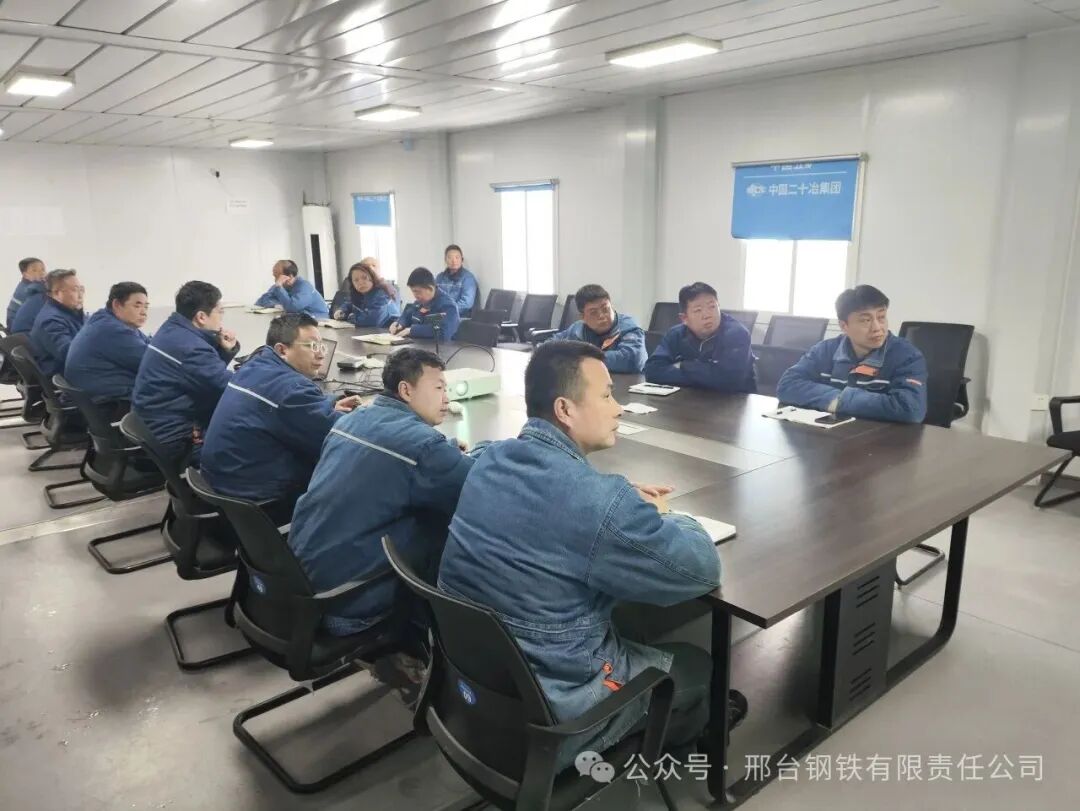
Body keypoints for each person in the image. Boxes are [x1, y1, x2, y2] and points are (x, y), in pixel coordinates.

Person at [439, 340, 746, 772]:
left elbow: (554, 502)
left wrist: (617, 501)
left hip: (480, 691)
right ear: (565, 409)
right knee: (696, 664)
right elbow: (701, 568)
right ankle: (687, 735)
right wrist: (665, 514)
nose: (617, 408)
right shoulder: (599, 504)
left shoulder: (490, 460)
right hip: (559, 711)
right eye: (606, 395)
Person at [287, 348, 486, 696]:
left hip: (296, 586)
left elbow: (406, 460)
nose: (446, 398)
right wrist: (487, 452)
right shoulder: (423, 447)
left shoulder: (351, 420)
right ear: (406, 390)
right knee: (453, 534)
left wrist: (447, 452)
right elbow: (477, 486)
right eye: (439, 388)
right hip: (344, 606)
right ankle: (437, 661)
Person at [200, 313, 361, 508]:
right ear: (282, 350)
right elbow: (341, 436)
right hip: (257, 498)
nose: (321, 354)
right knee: (353, 470)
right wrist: (369, 414)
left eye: (321, 346)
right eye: (312, 346)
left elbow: (289, 407)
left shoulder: (253, 366)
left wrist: (329, 404)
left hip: (221, 481)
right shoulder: (292, 390)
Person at [776, 285, 928, 423]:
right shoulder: (824, 350)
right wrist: (836, 399)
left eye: (881, 317)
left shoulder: (907, 356)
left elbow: (911, 409)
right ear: (844, 326)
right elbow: (787, 385)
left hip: (883, 439)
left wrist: (839, 402)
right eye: (866, 320)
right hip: (833, 436)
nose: (877, 328)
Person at [132, 281, 240, 467]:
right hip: (174, 442)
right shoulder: (191, 348)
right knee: (252, 442)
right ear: (201, 317)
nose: (221, 318)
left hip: (153, 430)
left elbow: (201, 375)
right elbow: (229, 388)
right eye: (220, 311)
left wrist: (224, 351)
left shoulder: (171, 329)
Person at [644, 282, 756, 392]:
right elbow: (652, 371)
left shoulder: (736, 333)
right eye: (698, 310)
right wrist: (706, 376)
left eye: (712, 306)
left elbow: (729, 380)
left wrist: (683, 365)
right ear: (684, 318)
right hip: (688, 399)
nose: (707, 315)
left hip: (734, 401)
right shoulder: (676, 334)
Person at [64, 282, 150, 409]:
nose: (144, 313)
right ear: (117, 305)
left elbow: (149, 345)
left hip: (96, 397)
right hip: (107, 404)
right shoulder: (112, 330)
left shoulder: (105, 319)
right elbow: (152, 363)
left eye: (146, 307)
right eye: (137, 306)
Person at [550, 284, 647, 373]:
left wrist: (580, 358)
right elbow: (550, 346)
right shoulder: (577, 329)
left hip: (627, 382)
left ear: (612, 307)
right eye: (593, 313)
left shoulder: (628, 327)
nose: (601, 316)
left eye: (605, 309)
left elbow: (632, 359)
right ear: (582, 317)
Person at [29, 269, 85, 381]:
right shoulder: (51, 321)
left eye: (81, 289)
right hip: (64, 376)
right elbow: (71, 355)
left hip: (73, 370)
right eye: (75, 290)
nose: (80, 295)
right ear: (56, 293)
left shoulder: (68, 312)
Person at [389, 267, 460, 340]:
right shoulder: (420, 302)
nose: (415, 296)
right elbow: (407, 316)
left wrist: (412, 330)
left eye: (418, 292)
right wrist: (399, 323)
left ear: (430, 288)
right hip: (418, 344)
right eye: (413, 291)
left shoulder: (448, 306)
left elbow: (443, 332)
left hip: (439, 346)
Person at [332, 261, 401, 327]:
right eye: (356, 280)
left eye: (364, 278)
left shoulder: (381, 294)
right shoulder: (360, 294)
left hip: (388, 331)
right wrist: (341, 311)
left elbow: (372, 320)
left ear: (372, 277)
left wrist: (350, 317)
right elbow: (350, 304)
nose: (361, 282)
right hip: (369, 332)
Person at [254, 259, 329, 317]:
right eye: (274, 276)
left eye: (277, 276)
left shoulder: (304, 286)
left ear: (289, 276)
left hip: (318, 320)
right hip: (299, 320)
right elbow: (260, 301)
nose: (276, 280)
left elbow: (292, 308)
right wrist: (277, 305)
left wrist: (279, 288)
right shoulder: (279, 286)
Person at [435, 244, 478, 317]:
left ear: (462, 259)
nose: (454, 261)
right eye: (450, 257)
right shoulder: (440, 277)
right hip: (441, 315)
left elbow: (466, 304)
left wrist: (448, 311)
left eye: (457, 257)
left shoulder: (468, 278)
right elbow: (433, 296)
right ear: (445, 260)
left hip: (460, 318)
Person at [9, 259, 50, 334]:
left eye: (43, 269)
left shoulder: (33, 286)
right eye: (34, 270)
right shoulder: (29, 291)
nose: (41, 273)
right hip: (21, 331)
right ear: (25, 274)